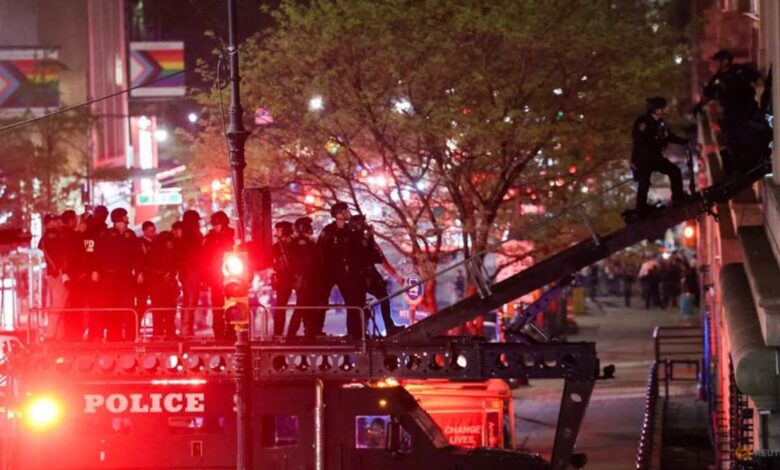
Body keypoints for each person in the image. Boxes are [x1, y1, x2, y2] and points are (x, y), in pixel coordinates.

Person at [693, 50, 771, 170]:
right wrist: (697, 107)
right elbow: (707, 96)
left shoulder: (741, 70)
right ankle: (735, 169)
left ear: (725, 61)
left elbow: (759, 81)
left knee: (761, 132)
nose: (714, 65)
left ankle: (763, 156)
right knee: (732, 142)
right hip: (731, 114)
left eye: (717, 62)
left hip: (749, 109)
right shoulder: (716, 80)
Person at [632, 97, 689, 215]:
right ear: (655, 109)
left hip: (655, 157)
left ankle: (678, 197)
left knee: (674, 171)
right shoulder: (643, 122)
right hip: (643, 159)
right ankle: (641, 209)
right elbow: (640, 141)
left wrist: (684, 141)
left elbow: (668, 136)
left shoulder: (660, 122)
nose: (664, 110)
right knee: (644, 182)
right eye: (662, 108)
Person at [92, 208, 143, 341]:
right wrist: (95, 270)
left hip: (125, 276)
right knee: (111, 306)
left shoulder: (131, 235)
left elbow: (137, 256)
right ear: (119, 219)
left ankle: (130, 336)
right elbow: (97, 253)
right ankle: (113, 336)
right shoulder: (106, 235)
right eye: (125, 217)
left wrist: (139, 273)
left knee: (128, 306)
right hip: (109, 277)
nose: (127, 219)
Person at [317, 202, 366, 339]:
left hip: (345, 272)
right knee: (322, 300)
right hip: (328, 271)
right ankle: (315, 330)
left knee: (352, 301)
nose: (347, 213)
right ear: (338, 214)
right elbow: (319, 251)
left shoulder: (350, 231)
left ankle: (353, 332)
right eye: (345, 211)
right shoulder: (328, 231)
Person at [350, 214, 404, 336]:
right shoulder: (352, 241)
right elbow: (366, 255)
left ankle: (389, 326)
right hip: (358, 278)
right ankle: (358, 332)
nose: (363, 226)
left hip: (368, 275)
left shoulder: (366, 240)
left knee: (383, 297)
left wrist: (370, 238)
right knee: (359, 305)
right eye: (361, 223)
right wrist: (369, 238)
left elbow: (378, 258)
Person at [202, 211, 236, 342]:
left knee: (233, 306)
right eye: (214, 224)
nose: (216, 227)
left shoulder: (233, 235)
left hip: (232, 276)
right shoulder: (210, 238)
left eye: (218, 224)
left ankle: (232, 332)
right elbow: (204, 259)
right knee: (217, 308)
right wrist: (205, 278)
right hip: (215, 277)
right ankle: (219, 334)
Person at [286, 217, 322, 338]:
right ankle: (292, 334)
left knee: (307, 307)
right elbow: (307, 262)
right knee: (302, 307)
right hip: (305, 280)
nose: (311, 229)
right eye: (308, 226)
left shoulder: (303, 243)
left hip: (308, 279)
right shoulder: (302, 243)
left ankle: (309, 332)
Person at [38, 214, 70, 339]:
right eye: (55, 220)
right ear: (48, 223)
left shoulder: (50, 236)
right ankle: (51, 333)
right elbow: (60, 252)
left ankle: (58, 334)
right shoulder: (52, 236)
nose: (58, 222)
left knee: (61, 305)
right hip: (57, 274)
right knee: (58, 304)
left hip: (57, 273)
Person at [148, 230, 180, 339]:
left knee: (164, 310)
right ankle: (165, 332)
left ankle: (161, 332)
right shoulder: (161, 253)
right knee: (165, 310)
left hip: (162, 284)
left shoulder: (156, 251)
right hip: (161, 284)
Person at [179, 210, 202, 336]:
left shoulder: (187, 235)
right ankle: (186, 329)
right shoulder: (190, 235)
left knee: (191, 300)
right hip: (191, 270)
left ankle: (187, 328)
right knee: (190, 300)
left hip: (191, 270)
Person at [271, 221, 295, 337]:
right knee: (280, 307)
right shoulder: (276, 247)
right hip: (283, 278)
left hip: (295, 277)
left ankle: (292, 332)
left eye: (279, 230)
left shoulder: (296, 245)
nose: (277, 233)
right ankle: (278, 332)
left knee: (302, 307)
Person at [136, 220, 156, 321]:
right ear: (144, 231)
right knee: (141, 305)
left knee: (157, 304)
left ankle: (158, 331)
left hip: (155, 277)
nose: (154, 233)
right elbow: (138, 259)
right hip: (144, 277)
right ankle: (136, 330)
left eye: (154, 230)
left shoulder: (157, 242)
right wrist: (139, 273)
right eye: (151, 231)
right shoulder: (139, 242)